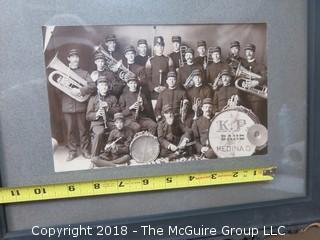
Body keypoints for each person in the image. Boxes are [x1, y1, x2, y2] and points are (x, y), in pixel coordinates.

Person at [60, 49, 95, 161]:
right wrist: (61, 84)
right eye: (72, 57)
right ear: (68, 59)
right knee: (69, 130)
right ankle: (72, 151)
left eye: (77, 57)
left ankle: (85, 150)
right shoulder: (63, 72)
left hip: (80, 105)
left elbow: (93, 86)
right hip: (67, 106)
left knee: (83, 129)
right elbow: (57, 92)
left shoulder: (84, 73)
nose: (75, 59)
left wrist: (80, 90)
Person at [86, 76, 120, 157]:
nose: (104, 87)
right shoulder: (93, 99)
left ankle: (114, 153)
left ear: (108, 87)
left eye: (105, 85)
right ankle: (94, 157)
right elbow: (88, 116)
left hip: (111, 121)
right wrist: (96, 114)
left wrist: (108, 108)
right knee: (99, 133)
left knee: (120, 129)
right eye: (101, 85)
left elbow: (118, 111)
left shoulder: (113, 98)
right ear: (98, 87)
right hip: (98, 123)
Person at [242, 43, 267, 126]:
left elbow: (266, 77)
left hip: (257, 98)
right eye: (247, 51)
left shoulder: (260, 66)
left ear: (254, 52)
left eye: (250, 51)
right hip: (244, 98)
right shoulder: (243, 66)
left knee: (257, 120)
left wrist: (255, 82)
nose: (248, 53)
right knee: (246, 121)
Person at [145, 36, 174, 100]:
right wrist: (154, 88)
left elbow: (172, 76)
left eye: (161, 46)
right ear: (154, 47)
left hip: (166, 91)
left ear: (163, 47)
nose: (160, 48)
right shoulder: (150, 61)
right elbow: (147, 78)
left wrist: (165, 87)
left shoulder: (169, 59)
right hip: (154, 93)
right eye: (158, 46)